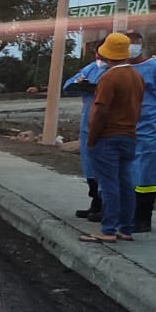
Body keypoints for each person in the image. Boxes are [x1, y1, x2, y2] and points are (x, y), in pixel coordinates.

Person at [81, 32, 144, 243]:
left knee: (108, 185)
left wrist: (92, 138)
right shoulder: (136, 76)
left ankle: (108, 230)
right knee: (126, 183)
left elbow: (100, 111)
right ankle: (126, 228)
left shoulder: (109, 77)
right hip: (129, 136)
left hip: (107, 137)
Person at [124, 31, 156, 232]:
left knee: (147, 176)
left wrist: (153, 118)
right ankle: (127, 214)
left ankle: (143, 218)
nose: (131, 47)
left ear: (142, 44)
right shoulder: (119, 69)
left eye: (134, 43)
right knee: (127, 174)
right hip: (124, 130)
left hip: (148, 131)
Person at [62, 43, 106, 221]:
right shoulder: (90, 69)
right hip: (88, 123)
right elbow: (68, 85)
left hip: (107, 125)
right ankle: (95, 203)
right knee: (89, 165)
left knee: (106, 167)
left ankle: (106, 208)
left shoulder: (118, 71)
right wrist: (82, 85)